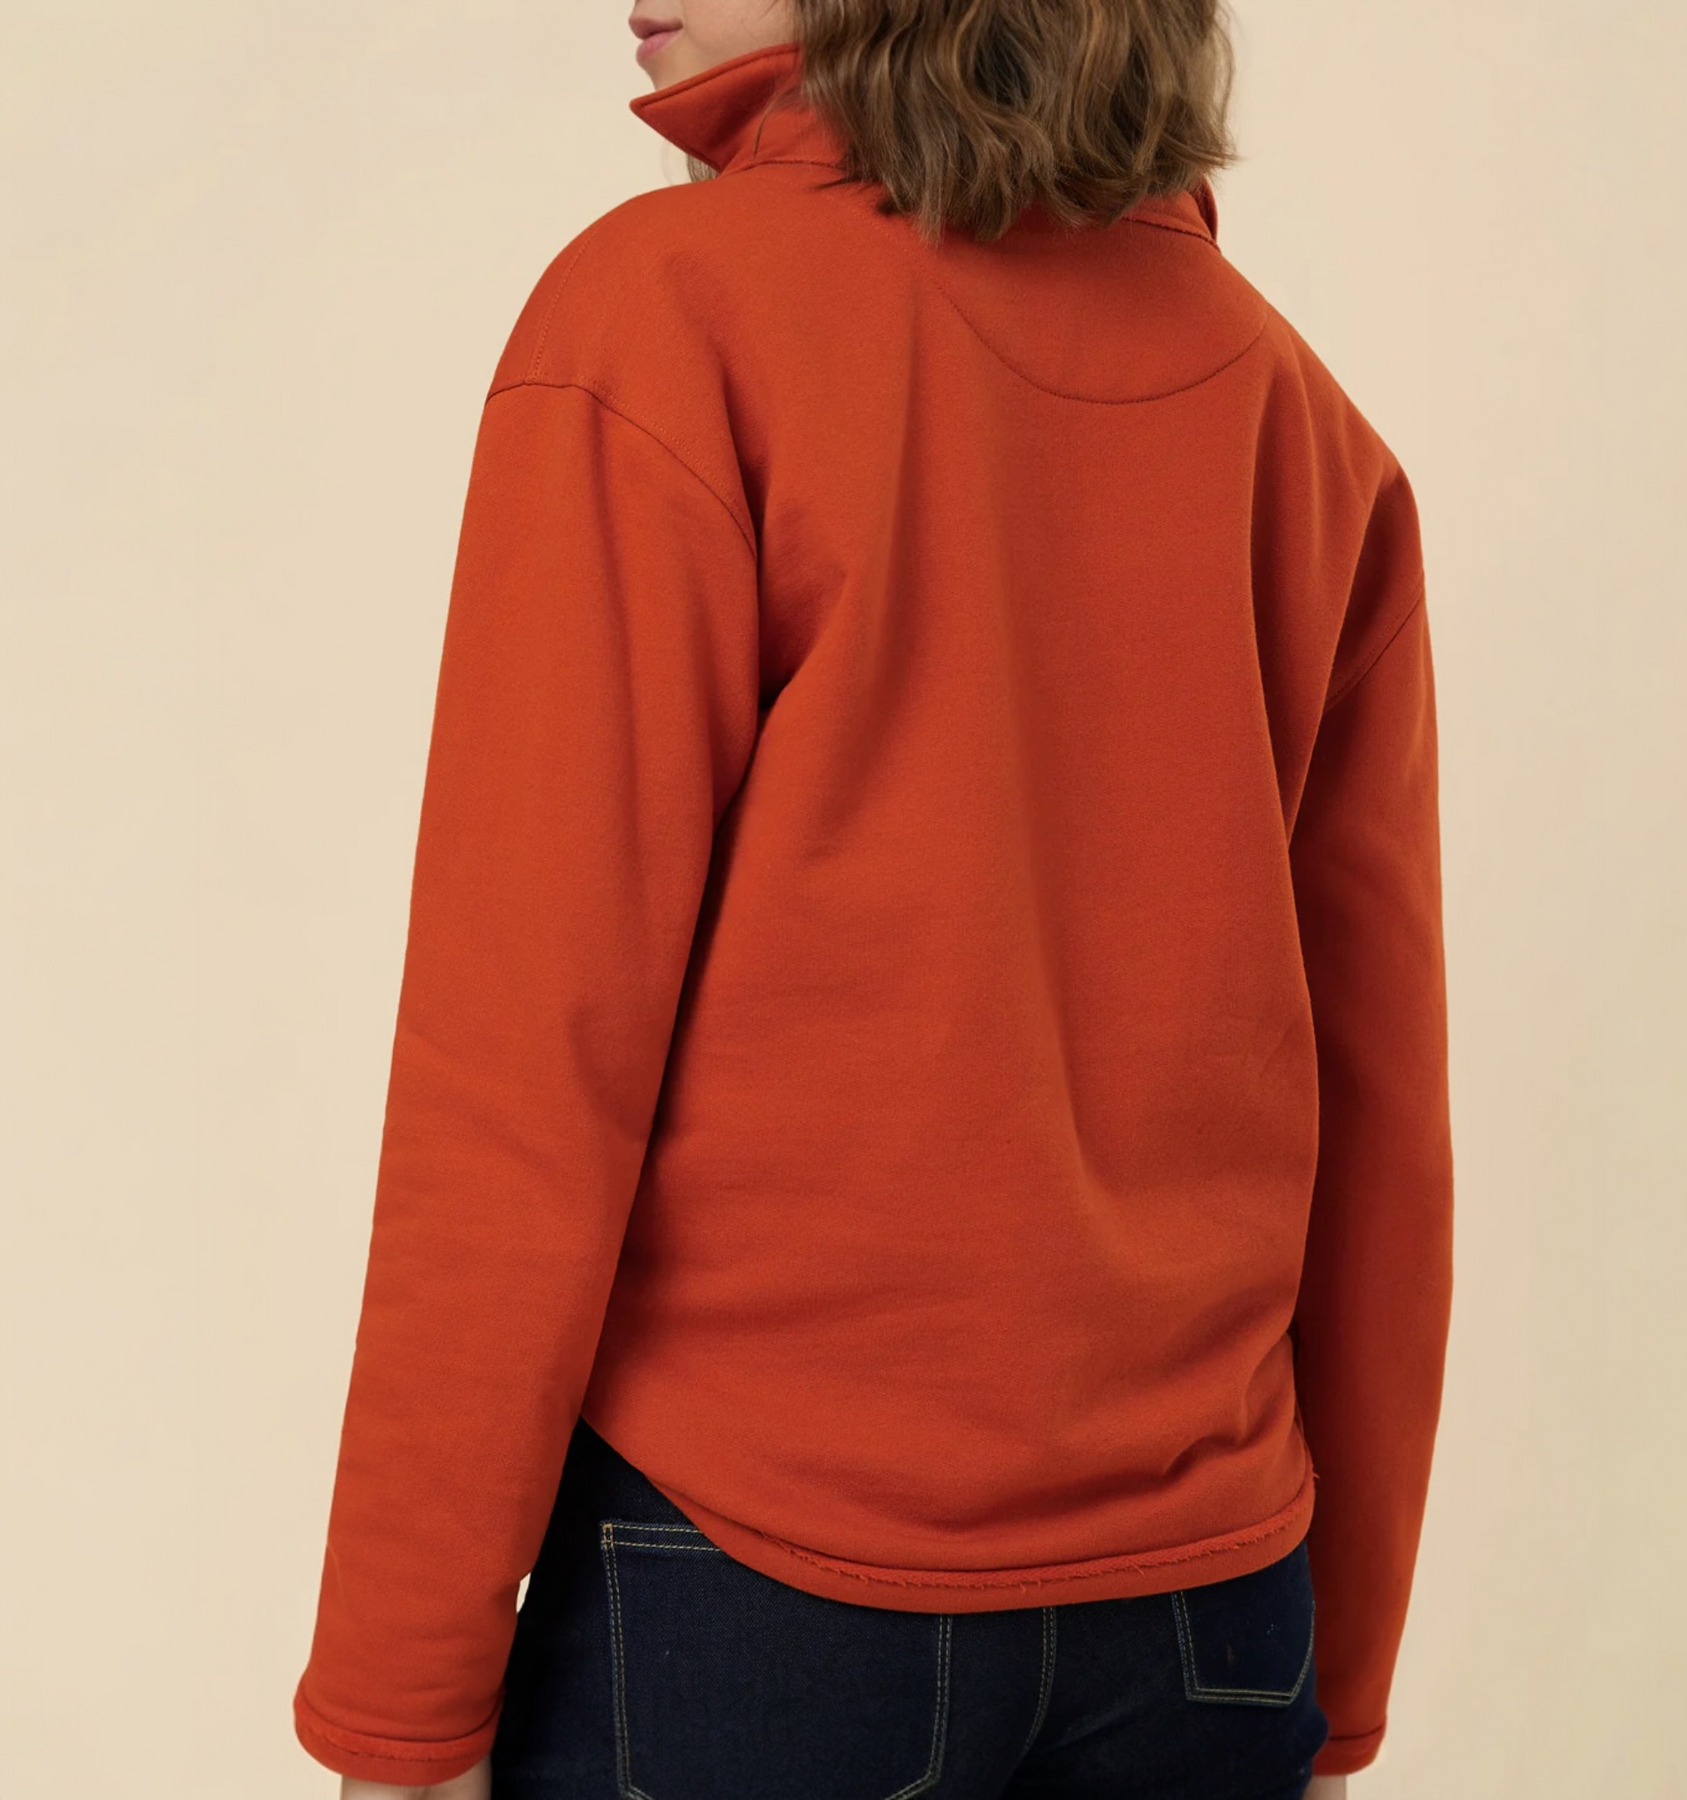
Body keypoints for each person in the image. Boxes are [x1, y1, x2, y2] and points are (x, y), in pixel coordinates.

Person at [295, 0, 1454, 1795]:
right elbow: (1383, 1124)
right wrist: (1339, 1680)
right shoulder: (1298, 419)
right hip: (1212, 1620)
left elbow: (525, 1065)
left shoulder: (670, 314)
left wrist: (399, 1700)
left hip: (755, 1594)